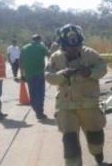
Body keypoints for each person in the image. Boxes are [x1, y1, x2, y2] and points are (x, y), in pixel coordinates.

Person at [45, 24, 107, 165]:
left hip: (89, 105)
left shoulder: (90, 54)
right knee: (70, 141)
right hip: (66, 107)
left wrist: (90, 72)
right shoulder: (56, 58)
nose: (73, 48)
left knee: (96, 137)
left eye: (77, 45)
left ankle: (100, 160)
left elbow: (102, 69)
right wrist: (62, 75)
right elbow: (49, 76)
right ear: (62, 45)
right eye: (69, 46)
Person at [20, 34, 50, 120]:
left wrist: (22, 75)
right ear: (39, 40)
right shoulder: (41, 47)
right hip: (39, 73)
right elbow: (50, 56)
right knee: (40, 93)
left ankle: (36, 110)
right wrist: (49, 67)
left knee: (32, 92)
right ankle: (39, 112)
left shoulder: (24, 48)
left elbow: (21, 62)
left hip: (28, 74)